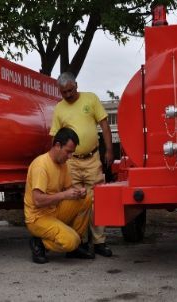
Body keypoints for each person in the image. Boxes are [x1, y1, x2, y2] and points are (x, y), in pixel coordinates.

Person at [49, 72, 113, 257]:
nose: (68, 95)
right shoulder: (59, 109)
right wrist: (54, 160)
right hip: (72, 163)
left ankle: (99, 242)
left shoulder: (91, 99)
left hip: (93, 159)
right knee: (75, 201)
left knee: (96, 201)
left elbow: (105, 126)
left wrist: (109, 150)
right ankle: (79, 242)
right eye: (63, 92)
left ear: (76, 85)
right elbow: (55, 137)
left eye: (70, 90)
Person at [24, 127, 94, 264]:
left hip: (54, 210)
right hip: (37, 218)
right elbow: (37, 200)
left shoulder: (63, 164)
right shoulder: (41, 165)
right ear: (57, 145)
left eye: (71, 153)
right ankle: (40, 244)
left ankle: (74, 248)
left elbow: (68, 189)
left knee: (86, 199)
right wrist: (64, 195)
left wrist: (78, 192)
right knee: (71, 241)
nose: (69, 157)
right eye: (68, 152)